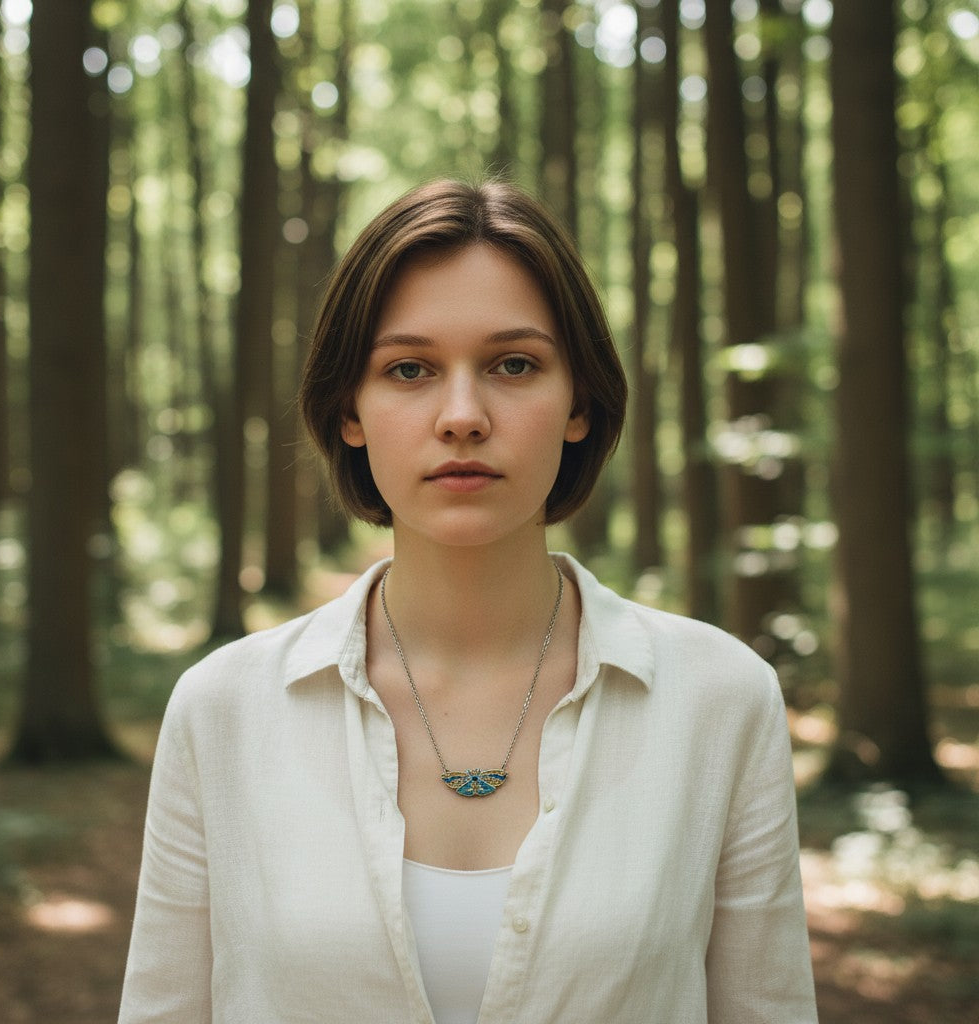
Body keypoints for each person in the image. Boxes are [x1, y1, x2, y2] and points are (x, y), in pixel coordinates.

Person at [118, 179, 818, 1023]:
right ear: (349, 411)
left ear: (579, 404)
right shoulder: (224, 709)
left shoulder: (719, 698)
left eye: (513, 365)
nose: (462, 416)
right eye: (408, 369)